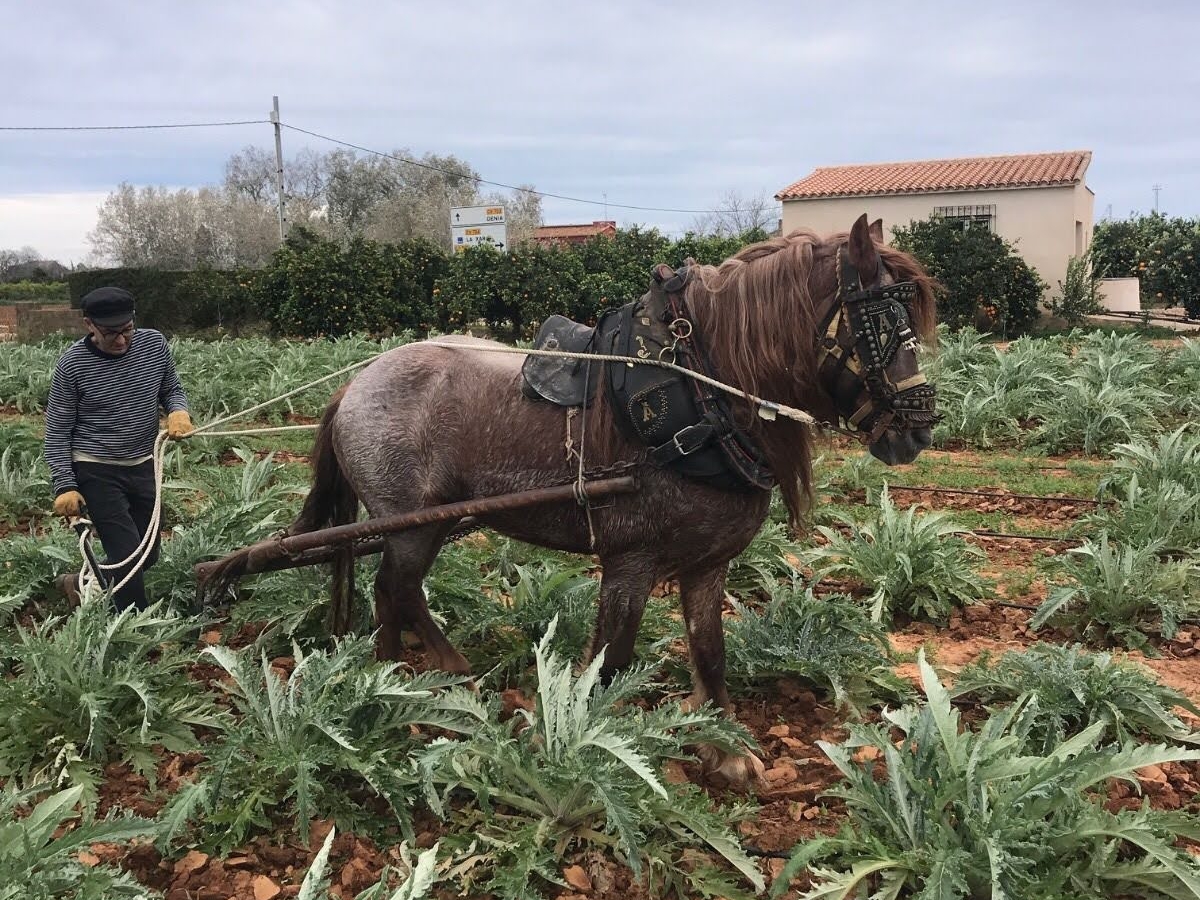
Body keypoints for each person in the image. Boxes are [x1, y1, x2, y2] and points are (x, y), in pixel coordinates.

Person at [44, 287, 193, 610]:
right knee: (126, 555)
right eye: (112, 333)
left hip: (143, 463)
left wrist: (178, 410)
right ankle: (136, 632)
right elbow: (57, 430)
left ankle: (83, 584)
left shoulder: (153, 345)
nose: (122, 340)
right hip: (95, 467)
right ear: (89, 325)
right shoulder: (73, 366)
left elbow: (171, 388)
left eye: (127, 329)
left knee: (148, 552)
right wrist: (65, 485)